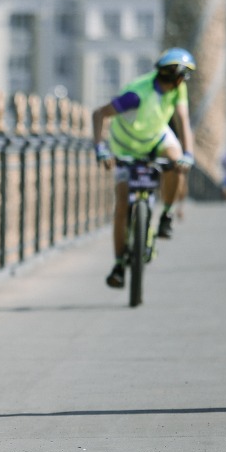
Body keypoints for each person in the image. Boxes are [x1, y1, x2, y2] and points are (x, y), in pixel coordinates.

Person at [92, 48, 197, 289]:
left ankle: (166, 215)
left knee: (176, 160)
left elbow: (183, 120)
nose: (185, 81)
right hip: (125, 145)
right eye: (184, 76)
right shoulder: (137, 95)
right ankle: (119, 264)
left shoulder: (177, 89)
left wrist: (188, 154)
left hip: (154, 138)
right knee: (122, 202)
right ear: (176, 76)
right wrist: (101, 149)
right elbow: (99, 114)